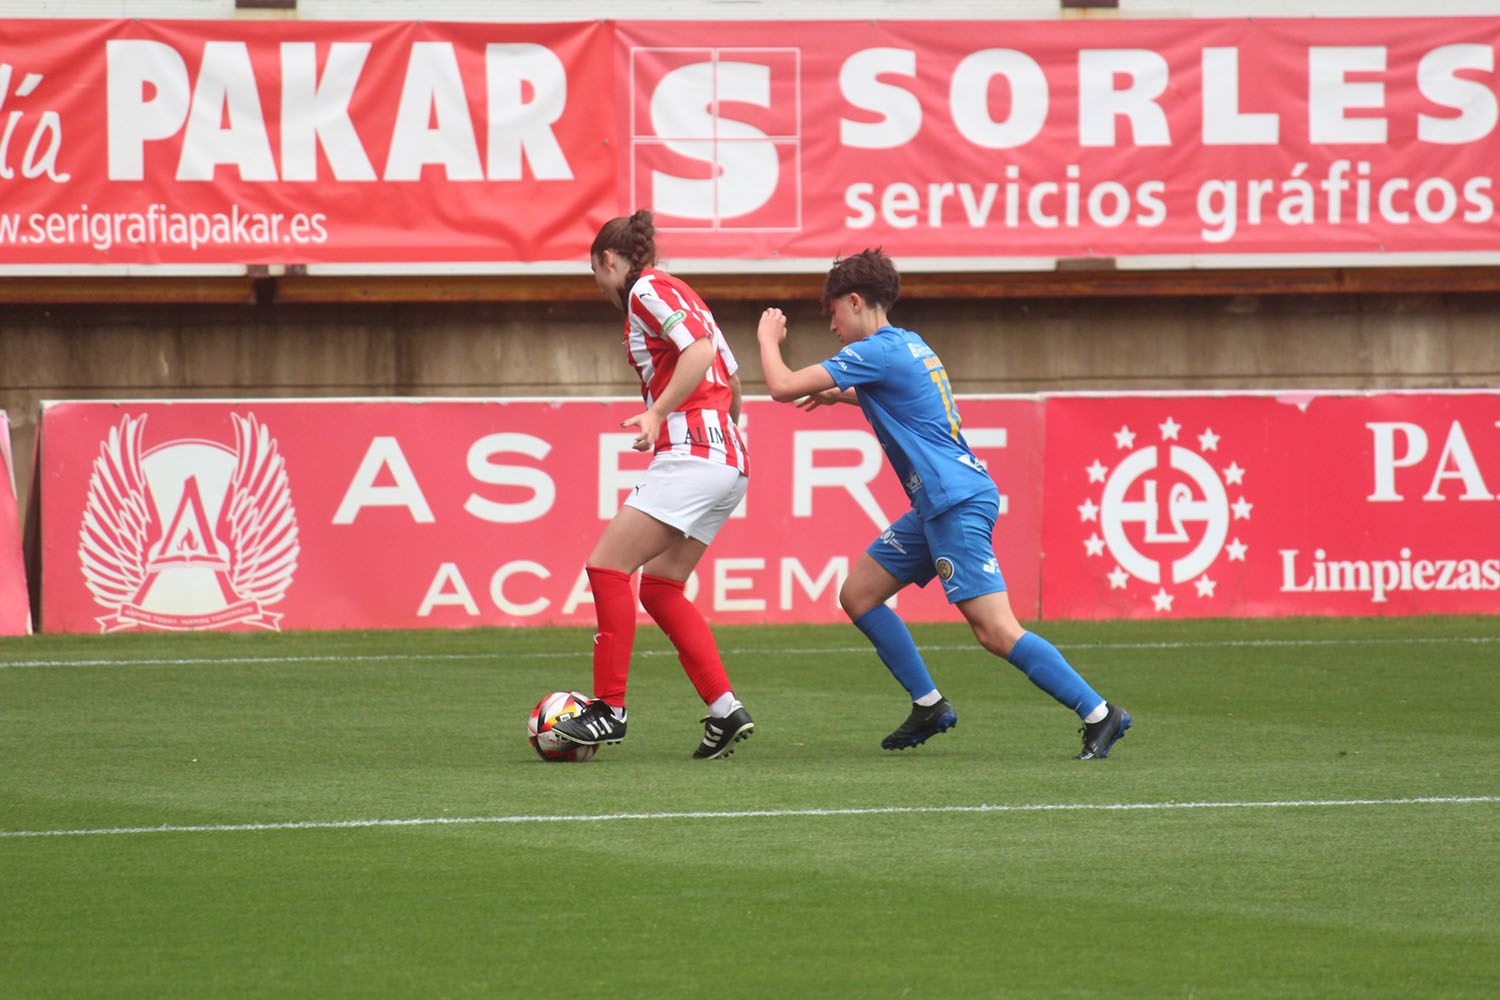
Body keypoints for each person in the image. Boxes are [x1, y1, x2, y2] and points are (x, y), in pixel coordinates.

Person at [755, 248, 1130, 759]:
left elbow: (780, 386)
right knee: (860, 593)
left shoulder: (875, 352)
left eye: (834, 312)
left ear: (857, 302)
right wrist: (837, 396)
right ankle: (929, 704)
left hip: (953, 502)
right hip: (940, 502)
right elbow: (897, 398)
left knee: (995, 631)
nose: (833, 325)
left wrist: (767, 339)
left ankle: (1100, 713)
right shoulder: (910, 346)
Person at [551, 210, 755, 760]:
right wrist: (713, 432)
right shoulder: (684, 291)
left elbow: (700, 353)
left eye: (597, 272)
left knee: (607, 567)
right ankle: (724, 708)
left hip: (694, 454)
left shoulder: (644, 289)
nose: (600, 285)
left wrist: (658, 414)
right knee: (662, 587)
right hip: (728, 458)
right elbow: (733, 383)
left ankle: (608, 711)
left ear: (609, 260)